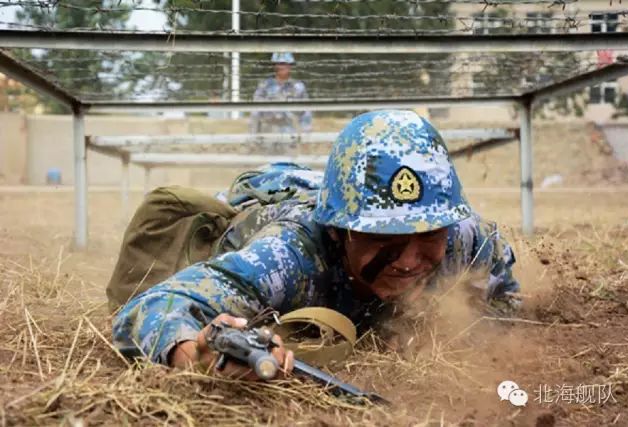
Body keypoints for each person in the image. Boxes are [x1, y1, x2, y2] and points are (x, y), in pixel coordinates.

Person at [111, 110, 520, 377]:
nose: (410, 259)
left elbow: (505, 291)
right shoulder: (287, 256)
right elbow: (155, 304)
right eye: (383, 237)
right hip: (267, 206)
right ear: (339, 231)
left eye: (428, 233)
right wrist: (194, 353)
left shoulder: (465, 237)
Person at [249, 52, 312, 134]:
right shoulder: (265, 86)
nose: (282, 66)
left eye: (285, 63)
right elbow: (255, 112)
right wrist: (253, 135)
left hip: (291, 134)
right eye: (279, 63)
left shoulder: (298, 87)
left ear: (290, 65)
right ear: (275, 66)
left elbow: (306, 113)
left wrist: (306, 135)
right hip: (268, 134)